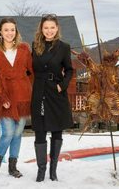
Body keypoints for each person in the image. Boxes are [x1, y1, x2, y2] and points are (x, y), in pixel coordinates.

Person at [0, 17, 33, 178]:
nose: (9, 33)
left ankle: (13, 166)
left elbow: (32, 70)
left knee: (18, 133)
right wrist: (1, 97)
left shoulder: (24, 48)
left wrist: (31, 88)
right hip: (5, 94)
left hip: (23, 95)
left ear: (16, 31)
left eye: (12, 30)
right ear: (0, 32)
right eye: (6, 30)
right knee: (7, 132)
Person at [31, 14, 73, 182]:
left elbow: (70, 70)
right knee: (39, 131)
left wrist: (62, 85)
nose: (49, 31)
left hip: (56, 92)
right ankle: (41, 171)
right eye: (46, 27)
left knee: (57, 131)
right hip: (39, 92)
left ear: (57, 29)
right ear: (41, 29)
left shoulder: (64, 47)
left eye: (52, 27)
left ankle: (53, 171)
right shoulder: (34, 46)